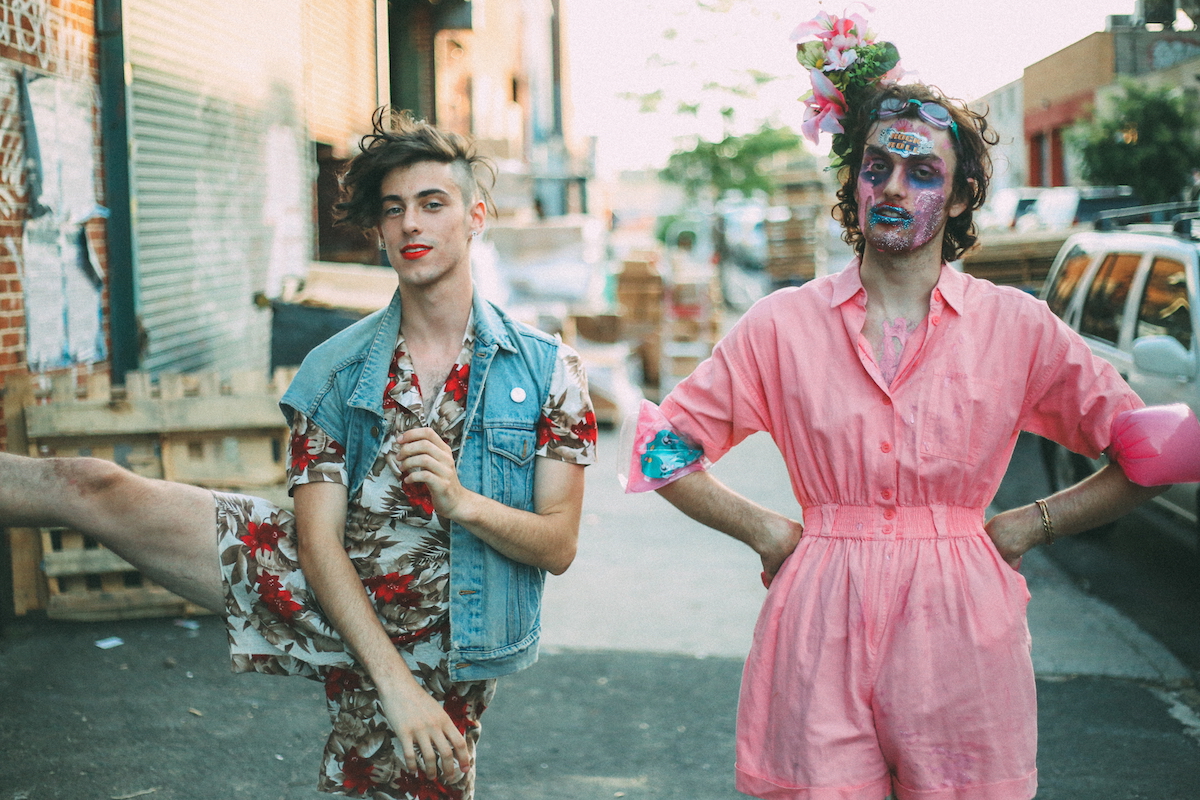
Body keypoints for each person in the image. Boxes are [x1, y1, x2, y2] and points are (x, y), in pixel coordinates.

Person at [621, 14, 1199, 800]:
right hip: (818, 614)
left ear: (961, 197)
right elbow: (661, 447)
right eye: (876, 166)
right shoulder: (782, 325)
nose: (892, 187)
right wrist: (765, 530)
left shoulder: (1013, 326)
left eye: (921, 172)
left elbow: (1161, 451)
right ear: (852, 182)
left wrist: (1034, 522)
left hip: (963, 624)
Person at [0, 110, 597, 800]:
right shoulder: (336, 369)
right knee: (91, 484)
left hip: (446, 636)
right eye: (393, 209)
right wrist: (392, 686)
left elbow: (557, 544)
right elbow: (316, 543)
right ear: (376, 230)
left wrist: (461, 502)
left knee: (422, 778)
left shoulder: (549, 371)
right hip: (320, 586)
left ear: (475, 217)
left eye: (433, 204)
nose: (411, 225)